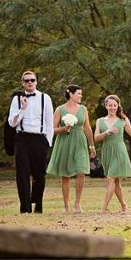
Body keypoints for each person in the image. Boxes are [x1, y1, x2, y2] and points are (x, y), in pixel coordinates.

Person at [7, 71, 54, 214]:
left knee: (39, 175)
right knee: (22, 174)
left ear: (36, 81)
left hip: (39, 139)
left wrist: (48, 142)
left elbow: (49, 122)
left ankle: (38, 204)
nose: (30, 83)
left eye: (32, 80)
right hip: (22, 138)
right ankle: (25, 208)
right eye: (27, 80)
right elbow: (11, 123)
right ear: (23, 83)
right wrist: (22, 109)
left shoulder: (45, 98)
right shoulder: (17, 99)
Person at [46, 84, 96, 213]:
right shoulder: (60, 109)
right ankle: (66, 205)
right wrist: (63, 128)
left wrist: (91, 146)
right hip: (65, 142)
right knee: (66, 175)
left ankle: (77, 203)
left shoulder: (83, 109)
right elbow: (52, 129)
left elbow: (87, 128)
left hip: (80, 142)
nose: (81, 96)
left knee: (81, 171)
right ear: (71, 94)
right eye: (79, 93)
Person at [94, 94, 131, 213]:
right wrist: (107, 132)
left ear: (118, 106)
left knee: (110, 179)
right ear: (106, 106)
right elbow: (96, 138)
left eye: (115, 105)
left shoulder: (123, 120)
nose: (113, 107)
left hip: (119, 151)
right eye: (110, 105)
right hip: (107, 151)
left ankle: (104, 208)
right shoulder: (100, 121)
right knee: (115, 182)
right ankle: (123, 205)